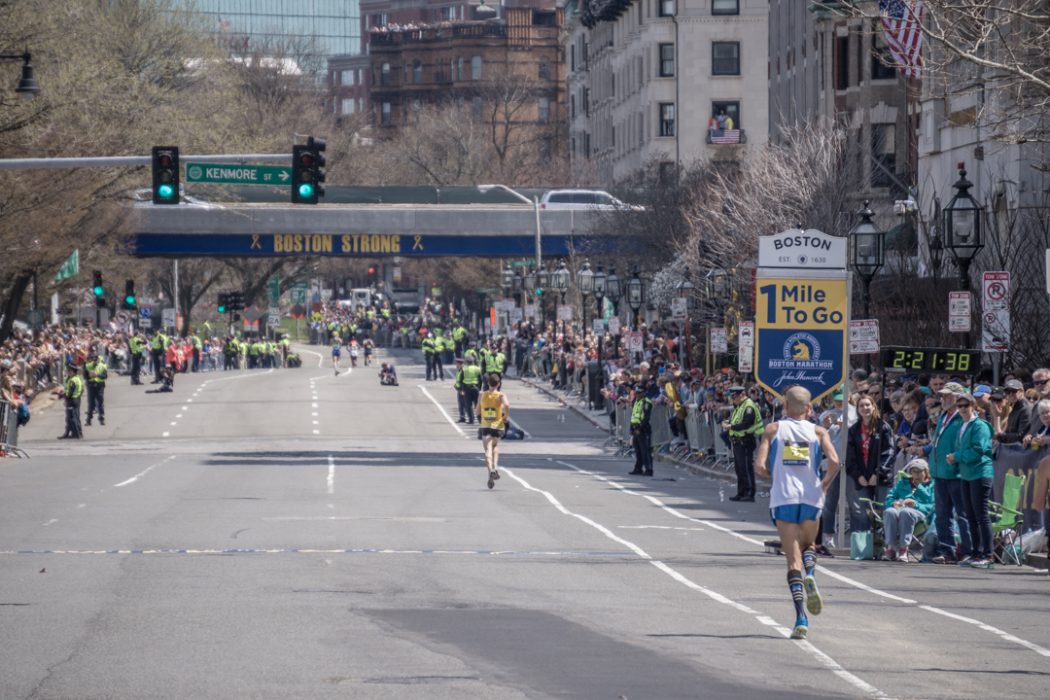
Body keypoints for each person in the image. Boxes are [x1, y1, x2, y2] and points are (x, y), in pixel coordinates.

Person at [755, 385, 840, 640]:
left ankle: (801, 618)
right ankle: (811, 575)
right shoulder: (818, 430)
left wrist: (775, 475)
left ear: (784, 408)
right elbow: (835, 462)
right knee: (809, 545)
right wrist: (823, 483)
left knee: (792, 559)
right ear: (809, 408)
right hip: (812, 496)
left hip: (784, 497)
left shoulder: (774, 429)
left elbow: (759, 466)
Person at [910, 381, 971, 564]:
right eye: (943, 395)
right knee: (942, 515)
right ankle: (948, 551)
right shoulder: (944, 415)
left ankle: (968, 551)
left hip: (956, 474)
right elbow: (937, 441)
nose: (943, 398)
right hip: (940, 473)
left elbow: (965, 444)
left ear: (958, 396)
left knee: (962, 514)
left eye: (948, 395)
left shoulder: (963, 418)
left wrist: (957, 460)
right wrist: (925, 450)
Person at [948, 391, 995, 568]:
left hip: (980, 473)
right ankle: (976, 553)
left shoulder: (980, 426)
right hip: (967, 475)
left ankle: (988, 554)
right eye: (959, 406)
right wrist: (955, 458)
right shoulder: (963, 424)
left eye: (965, 405)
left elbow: (979, 450)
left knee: (981, 514)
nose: (962, 409)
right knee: (971, 515)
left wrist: (956, 456)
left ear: (973, 406)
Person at [845, 394, 895, 534]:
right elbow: (850, 456)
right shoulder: (853, 430)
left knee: (883, 512)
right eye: (861, 405)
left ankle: (885, 546)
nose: (865, 408)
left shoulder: (884, 427)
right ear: (857, 409)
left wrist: (877, 473)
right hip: (862, 479)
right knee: (863, 513)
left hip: (881, 478)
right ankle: (864, 547)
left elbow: (889, 452)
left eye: (868, 405)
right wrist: (858, 475)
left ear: (873, 407)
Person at [881, 459, 935, 561]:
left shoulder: (931, 485)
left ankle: (903, 548)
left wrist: (916, 504)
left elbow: (932, 506)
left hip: (919, 512)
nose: (917, 475)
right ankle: (891, 548)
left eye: (920, 472)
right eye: (914, 472)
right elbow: (889, 497)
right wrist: (893, 503)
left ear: (926, 472)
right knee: (889, 511)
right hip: (900, 508)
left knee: (907, 512)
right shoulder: (903, 483)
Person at [723, 385, 763, 501]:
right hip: (738, 441)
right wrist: (728, 422)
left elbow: (747, 423)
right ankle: (741, 492)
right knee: (739, 468)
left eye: (734, 396)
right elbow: (737, 420)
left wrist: (731, 426)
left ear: (741, 394)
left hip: (746, 441)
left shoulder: (749, 405)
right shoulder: (740, 405)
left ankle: (749, 493)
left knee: (746, 468)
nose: (732, 399)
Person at [476, 372, 509, 489]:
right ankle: (495, 467)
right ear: (499, 384)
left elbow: (477, 412)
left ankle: (490, 470)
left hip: (486, 426)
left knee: (487, 449)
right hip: (498, 426)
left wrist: (482, 413)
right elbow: (507, 405)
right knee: (495, 446)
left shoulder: (482, 394)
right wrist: (505, 416)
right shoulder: (500, 395)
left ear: (488, 383)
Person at [628, 380, 654, 476]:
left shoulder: (647, 402)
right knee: (638, 451)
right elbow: (634, 415)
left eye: (639, 393)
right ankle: (638, 468)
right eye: (636, 393)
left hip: (643, 429)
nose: (637, 395)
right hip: (635, 428)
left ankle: (649, 469)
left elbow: (646, 417)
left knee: (645, 451)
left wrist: (639, 428)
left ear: (643, 393)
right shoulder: (636, 401)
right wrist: (632, 428)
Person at [994, 379, 1031, 445]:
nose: (1010, 394)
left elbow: (1021, 436)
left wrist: (1000, 436)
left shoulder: (1026, 409)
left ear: (1021, 391)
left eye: (1014, 391)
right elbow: (1009, 431)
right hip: (1012, 449)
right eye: (1007, 392)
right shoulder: (1015, 407)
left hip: (1020, 451)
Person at [58, 361, 84, 440]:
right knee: (73, 417)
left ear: (72, 371)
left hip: (72, 400)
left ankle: (77, 434)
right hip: (77, 399)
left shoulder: (73, 380)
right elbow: (82, 390)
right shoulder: (78, 378)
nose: (67, 372)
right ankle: (73, 433)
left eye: (68, 371)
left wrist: (63, 396)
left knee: (72, 418)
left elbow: (69, 393)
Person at [83, 350, 108, 427]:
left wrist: (98, 375)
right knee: (91, 404)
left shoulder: (102, 365)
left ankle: (101, 419)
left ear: (98, 359)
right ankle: (88, 420)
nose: (94, 361)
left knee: (100, 403)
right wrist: (90, 376)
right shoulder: (87, 366)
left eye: (95, 359)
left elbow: (105, 376)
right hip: (91, 385)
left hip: (100, 386)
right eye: (92, 359)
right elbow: (85, 376)